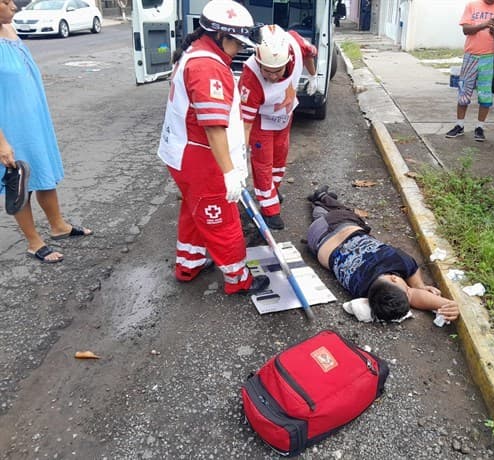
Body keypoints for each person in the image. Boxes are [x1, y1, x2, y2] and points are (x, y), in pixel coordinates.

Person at [157, 0, 269, 294]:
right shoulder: (207, 67)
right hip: (200, 156)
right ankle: (238, 279)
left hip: (181, 151)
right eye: (236, 43)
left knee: (197, 211)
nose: (238, 50)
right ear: (221, 36)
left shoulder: (197, 53)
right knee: (222, 218)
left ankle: (188, 264)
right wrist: (230, 173)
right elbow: (213, 126)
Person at [0, 0, 92, 264]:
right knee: (19, 182)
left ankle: (58, 225)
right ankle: (33, 242)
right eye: (5, 2)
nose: (14, 6)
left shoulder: (9, 29)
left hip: (32, 118)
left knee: (43, 171)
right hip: (9, 125)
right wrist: (2, 142)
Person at [305, 186, 460, 323]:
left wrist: (439, 300)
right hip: (315, 239)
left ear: (394, 278)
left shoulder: (393, 259)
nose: (410, 290)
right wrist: (428, 292)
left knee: (346, 214)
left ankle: (322, 197)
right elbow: (411, 294)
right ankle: (319, 203)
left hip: (334, 225)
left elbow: (412, 290)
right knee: (336, 216)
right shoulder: (360, 289)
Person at [238, 24, 317, 230]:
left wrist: (313, 75)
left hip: (284, 117)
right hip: (260, 122)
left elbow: (309, 53)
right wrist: (240, 153)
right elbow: (245, 123)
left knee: (280, 159)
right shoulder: (250, 76)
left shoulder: (295, 43)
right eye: (267, 71)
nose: (272, 77)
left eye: (278, 71)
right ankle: (269, 210)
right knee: (263, 163)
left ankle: (273, 189)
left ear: (288, 60)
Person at [445, 0, 494, 142]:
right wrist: (484, 24)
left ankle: (480, 127)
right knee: (464, 91)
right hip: (470, 55)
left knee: (485, 94)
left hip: (490, 58)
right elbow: (466, 29)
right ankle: (459, 125)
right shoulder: (472, 6)